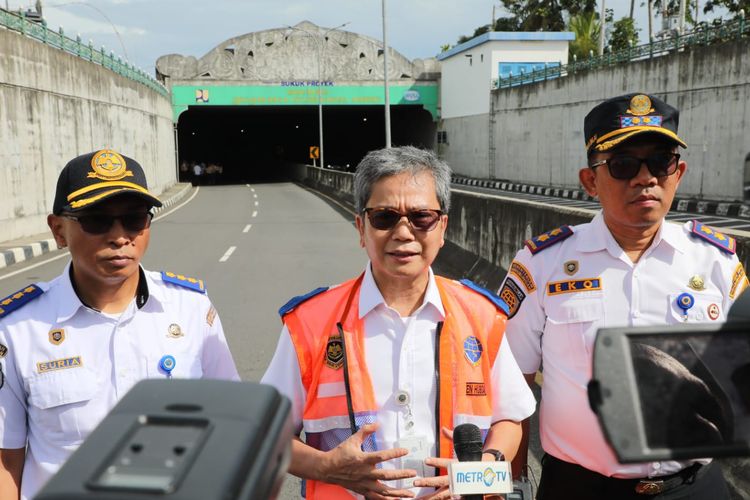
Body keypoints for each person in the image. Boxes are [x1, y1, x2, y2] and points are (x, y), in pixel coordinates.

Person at [500, 93, 745, 499]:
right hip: (580, 488)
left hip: (694, 487)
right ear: (590, 180)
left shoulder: (715, 262)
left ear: (678, 173)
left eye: (661, 162)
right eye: (623, 164)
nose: (644, 178)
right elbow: (513, 384)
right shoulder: (542, 265)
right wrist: (514, 482)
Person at [261, 146, 535, 499]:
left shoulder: (481, 315)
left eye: (421, 217)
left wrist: (478, 473)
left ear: (442, 228)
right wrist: (326, 468)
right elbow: (267, 433)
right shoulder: (310, 322)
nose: (404, 232)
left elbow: (510, 420)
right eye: (384, 217)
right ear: (361, 227)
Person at [0, 149, 240, 499]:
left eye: (134, 219)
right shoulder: (17, 330)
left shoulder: (190, 309)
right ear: (59, 230)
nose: (119, 237)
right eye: (97, 220)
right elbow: (6, 461)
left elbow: (231, 424)